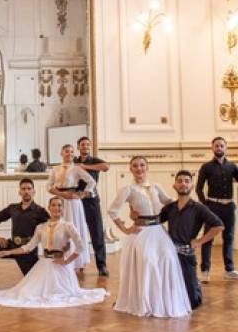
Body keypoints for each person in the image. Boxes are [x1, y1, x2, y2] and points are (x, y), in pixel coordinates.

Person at [0, 197, 108, 308]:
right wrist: (9, 252)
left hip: (61, 267)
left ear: (63, 208)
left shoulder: (68, 226)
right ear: (49, 208)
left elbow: (81, 247)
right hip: (44, 264)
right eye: (53, 205)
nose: (56, 208)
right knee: (27, 293)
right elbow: (29, 246)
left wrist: (67, 261)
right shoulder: (41, 227)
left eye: (59, 205)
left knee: (60, 294)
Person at [108, 156, 191, 318]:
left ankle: (164, 300)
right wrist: (125, 229)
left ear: (147, 167)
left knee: (168, 258)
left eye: (142, 165)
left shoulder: (156, 186)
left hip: (159, 231)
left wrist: (185, 199)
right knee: (147, 262)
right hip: (141, 233)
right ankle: (145, 302)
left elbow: (168, 202)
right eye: (135, 166)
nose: (139, 168)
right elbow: (112, 210)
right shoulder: (128, 189)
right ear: (131, 169)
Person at [160, 170, 224, 309]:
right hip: (170, 255)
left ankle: (195, 285)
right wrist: (133, 214)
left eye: (187, 181)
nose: (183, 184)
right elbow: (154, 223)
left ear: (192, 186)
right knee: (168, 295)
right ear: (174, 185)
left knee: (193, 301)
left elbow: (219, 226)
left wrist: (200, 241)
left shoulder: (199, 208)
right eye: (180, 181)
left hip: (187, 256)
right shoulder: (169, 208)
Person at [196, 136, 238, 282]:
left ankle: (229, 270)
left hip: (229, 207)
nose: (219, 148)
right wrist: (206, 206)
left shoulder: (232, 166)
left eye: (221, 146)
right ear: (212, 148)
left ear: (226, 148)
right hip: (212, 207)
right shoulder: (206, 167)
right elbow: (199, 188)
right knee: (208, 238)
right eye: (216, 146)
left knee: (229, 237)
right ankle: (205, 271)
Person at [47, 144, 96, 271]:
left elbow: (91, 181)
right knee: (60, 228)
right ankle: (60, 257)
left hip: (73, 202)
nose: (69, 154)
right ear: (61, 153)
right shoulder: (55, 169)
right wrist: (61, 194)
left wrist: (83, 193)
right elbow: (49, 186)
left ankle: (76, 260)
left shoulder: (77, 168)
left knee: (74, 227)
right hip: (60, 200)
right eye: (67, 151)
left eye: (72, 152)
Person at [74, 136, 110, 277]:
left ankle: (102, 266)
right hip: (76, 201)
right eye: (82, 144)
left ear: (90, 147)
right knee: (75, 232)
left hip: (92, 201)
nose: (85, 146)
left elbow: (106, 167)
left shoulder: (94, 160)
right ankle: (77, 264)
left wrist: (85, 167)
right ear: (78, 147)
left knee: (97, 233)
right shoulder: (73, 161)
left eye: (87, 144)